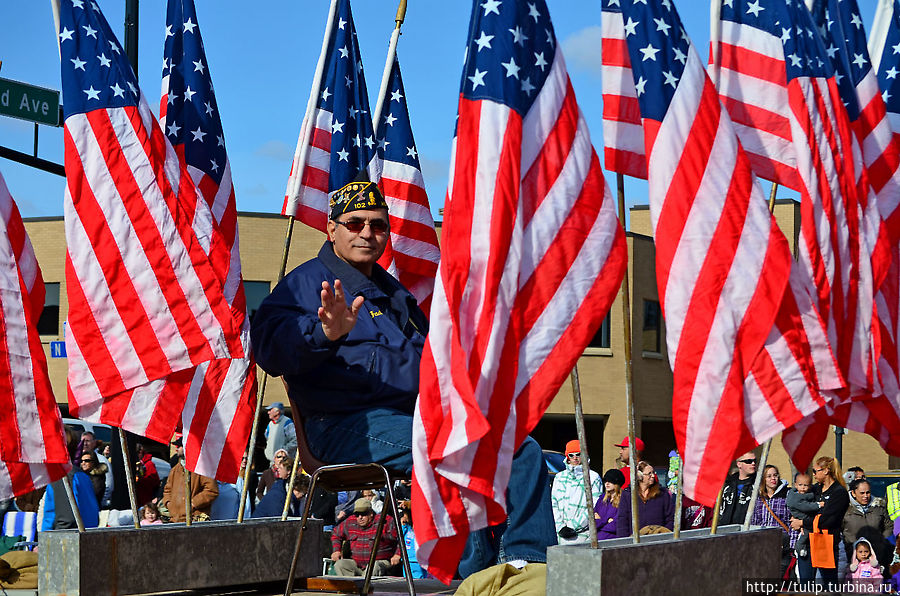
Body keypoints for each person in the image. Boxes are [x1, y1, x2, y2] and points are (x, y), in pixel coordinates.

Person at [251, 178, 556, 576]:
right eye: (355, 223)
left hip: (412, 419)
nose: (367, 233)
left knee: (519, 445)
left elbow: (430, 360)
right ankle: (473, 574)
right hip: (342, 426)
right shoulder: (306, 284)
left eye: (378, 225)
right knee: (454, 449)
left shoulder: (393, 293)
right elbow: (269, 349)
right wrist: (323, 333)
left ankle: (525, 564)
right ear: (331, 228)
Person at [790, 456, 850, 585]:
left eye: (815, 471)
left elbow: (827, 520)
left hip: (825, 543)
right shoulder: (815, 489)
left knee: (829, 585)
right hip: (807, 543)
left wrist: (802, 522)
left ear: (826, 471)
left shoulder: (839, 493)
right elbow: (799, 502)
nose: (813, 474)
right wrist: (796, 516)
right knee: (806, 585)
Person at [331, 498, 402, 576]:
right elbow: (336, 534)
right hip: (357, 564)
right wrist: (336, 550)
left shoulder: (385, 521)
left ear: (371, 513)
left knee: (374, 566)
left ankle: (367, 587)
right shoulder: (350, 522)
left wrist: (397, 554)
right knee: (340, 564)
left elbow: (402, 537)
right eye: (357, 514)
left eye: (363, 514)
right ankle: (351, 587)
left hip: (381, 563)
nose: (360, 517)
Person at [551, 439, 602, 544]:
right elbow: (554, 504)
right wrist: (560, 527)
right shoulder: (559, 477)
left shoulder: (593, 477)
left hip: (583, 534)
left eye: (578, 454)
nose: (575, 458)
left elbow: (594, 506)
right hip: (559, 535)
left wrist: (573, 527)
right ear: (567, 457)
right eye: (571, 455)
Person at [160, 437, 218, 523]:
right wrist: (169, 504)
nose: (177, 448)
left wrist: (193, 503)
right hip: (175, 520)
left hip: (194, 520)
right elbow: (167, 490)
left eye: (180, 446)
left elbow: (212, 491)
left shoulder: (202, 468)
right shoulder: (175, 469)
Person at [749, 465, 793, 576]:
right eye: (769, 476)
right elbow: (755, 522)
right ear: (763, 479)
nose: (773, 478)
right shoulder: (758, 498)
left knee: (779, 576)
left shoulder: (787, 495)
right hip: (763, 543)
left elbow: (792, 520)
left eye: (775, 475)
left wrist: (791, 542)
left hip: (782, 543)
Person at [616, 461, 674, 536]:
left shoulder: (662, 494)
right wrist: (624, 541)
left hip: (659, 539)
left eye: (653, 473)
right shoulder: (628, 495)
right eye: (649, 473)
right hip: (635, 540)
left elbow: (671, 518)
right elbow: (622, 520)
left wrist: (664, 534)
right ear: (639, 476)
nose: (653, 476)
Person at [843, 479, 892, 560]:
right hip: (852, 556)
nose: (865, 496)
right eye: (862, 493)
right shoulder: (845, 508)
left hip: (876, 555)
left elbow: (888, 526)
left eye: (868, 492)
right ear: (853, 493)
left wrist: (882, 542)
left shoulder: (879, 507)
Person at [786, 472, 819, 579]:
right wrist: (818, 505)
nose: (803, 488)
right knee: (806, 533)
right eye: (801, 485)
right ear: (795, 485)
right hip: (800, 516)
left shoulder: (807, 494)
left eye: (806, 485)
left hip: (803, 518)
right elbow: (806, 507)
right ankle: (800, 546)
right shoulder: (796, 496)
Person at [719, 451, 758, 526]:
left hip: (748, 529)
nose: (753, 463)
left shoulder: (758, 483)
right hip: (726, 529)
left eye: (755, 461)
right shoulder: (728, 484)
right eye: (748, 461)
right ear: (739, 464)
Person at [79, 431, 113, 508]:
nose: (84, 443)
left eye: (87, 441)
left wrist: (100, 503)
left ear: (94, 443)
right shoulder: (77, 459)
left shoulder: (102, 460)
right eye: (82, 441)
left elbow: (109, 485)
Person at [594, 469, 625, 540]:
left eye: (610, 481)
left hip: (613, 541)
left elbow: (616, 525)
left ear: (617, 483)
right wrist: (606, 521)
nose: (607, 483)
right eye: (605, 480)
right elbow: (592, 522)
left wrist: (600, 521)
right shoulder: (602, 499)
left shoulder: (624, 499)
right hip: (597, 539)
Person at [134, 443, 159, 507]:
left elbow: (154, 482)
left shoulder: (149, 464)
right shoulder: (138, 464)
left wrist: (140, 479)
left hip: (145, 499)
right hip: (138, 499)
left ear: (140, 452)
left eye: (136, 453)